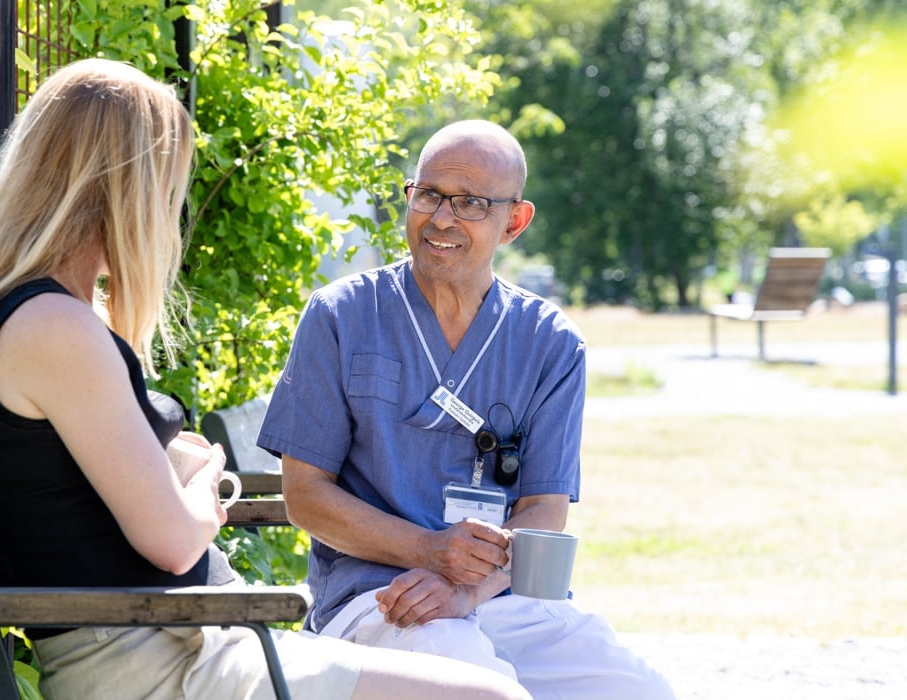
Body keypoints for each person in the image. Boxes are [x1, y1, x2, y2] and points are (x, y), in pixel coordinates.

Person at [0, 60, 530, 700]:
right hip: (164, 662)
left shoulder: (29, 318)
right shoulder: (54, 327)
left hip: (196, 639)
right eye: (166, 186)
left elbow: (31, 462)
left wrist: (164, 466)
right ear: (119, 186)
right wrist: (201, 481)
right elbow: (169, 540)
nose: (169, 210)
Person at [257, 119, 676, 700]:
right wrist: (428, 553)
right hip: (377, 599)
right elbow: (304, 496)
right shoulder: (340, 316)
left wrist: (465, 591)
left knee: (635, 690)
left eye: (471, 203)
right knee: (472, 676)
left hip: (498, 598)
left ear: (515, 222)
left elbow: (543, 511)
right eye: (428, 194)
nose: (442, 219)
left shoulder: (550, 342)